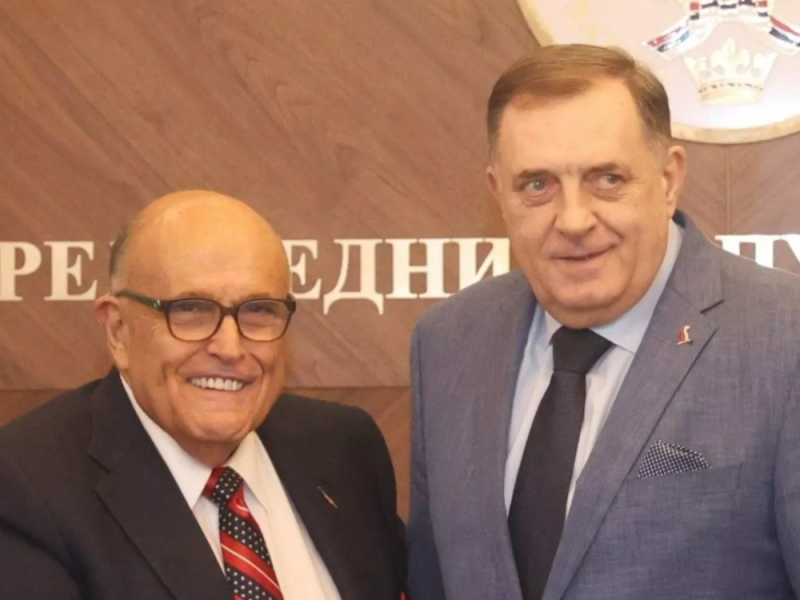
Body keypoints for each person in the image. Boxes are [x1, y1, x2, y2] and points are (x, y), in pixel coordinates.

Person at [408, 44, 800, 600]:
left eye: (607, 179)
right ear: (499, 193)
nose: (573, 220)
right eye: (537, 185)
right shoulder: (448, 342)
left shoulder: (785, 338)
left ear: (669, 179)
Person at [0, 191, 405, 600]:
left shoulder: (344, 449)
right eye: (190, 310)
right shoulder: (26, 489)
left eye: (258, 310)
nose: (229, 348)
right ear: (117, 330)